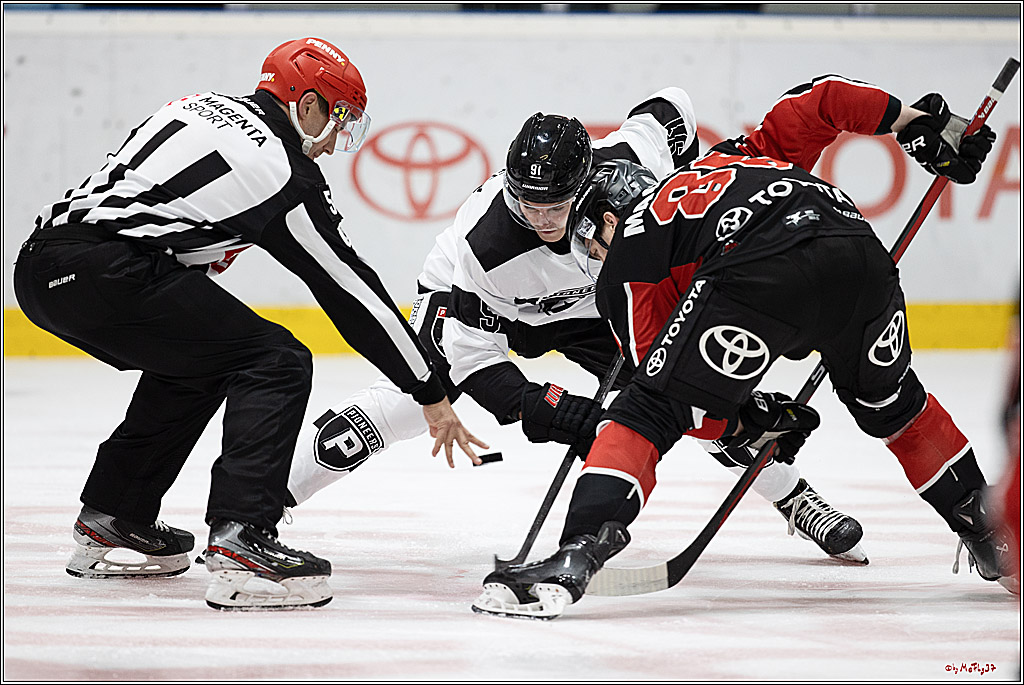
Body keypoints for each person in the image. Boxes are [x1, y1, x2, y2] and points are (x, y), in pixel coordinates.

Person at [474, 74, 1016, 620]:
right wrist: (915, 122)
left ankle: (578, 550)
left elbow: (669, 400)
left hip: (762, 272)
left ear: (608, 220)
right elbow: (823, 99)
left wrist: (741, 424)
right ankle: (990, 530)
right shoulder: (729, 159)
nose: (591, 257)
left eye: (589, 243)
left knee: (643, 412)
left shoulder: (627, 261)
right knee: (894, 406)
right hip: (858, 248)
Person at [285, 87, 868, 563]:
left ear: (587, 183)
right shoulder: (485, 251)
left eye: (555, 206)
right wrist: (561, 412)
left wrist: (683, 170)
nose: (540, 219)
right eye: (526, 203)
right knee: (406, 405)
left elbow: (673, 105)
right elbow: (476, 361)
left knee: (678, 389)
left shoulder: (631, 165)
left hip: (593, 305)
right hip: (485, 312)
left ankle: (795, 499)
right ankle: (263, 503)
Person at [13, 37, 483, 611]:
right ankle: (243, 537)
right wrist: (428, 390)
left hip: (42, 265)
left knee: (200, 360)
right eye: (339, 121)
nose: (336, 144)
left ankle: (116, 514)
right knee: (275, 360)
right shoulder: (286, 174)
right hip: (109, 272)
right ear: (306, 105)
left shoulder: (195, 105)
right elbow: (352, 293)